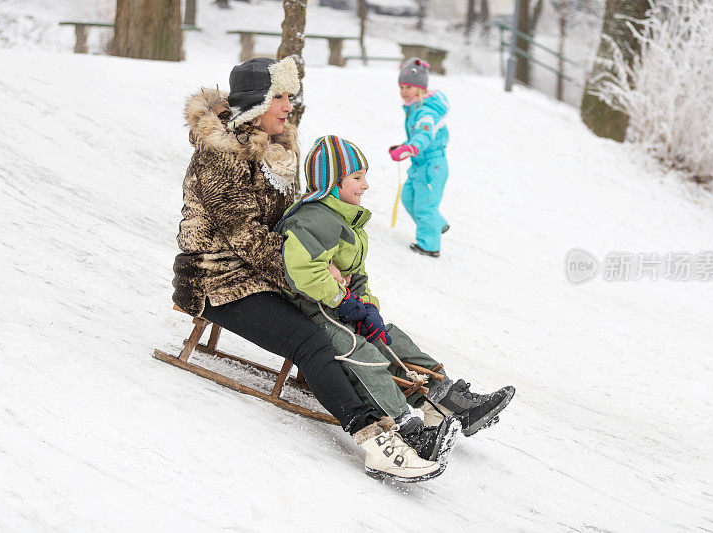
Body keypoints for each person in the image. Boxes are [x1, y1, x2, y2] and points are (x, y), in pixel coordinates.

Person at [171, 58, 401, 479]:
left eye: (289, 96)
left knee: (336, 323)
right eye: (279, 96)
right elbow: (247, 238)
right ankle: (374, 437)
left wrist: (324, 264)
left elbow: (288, 227)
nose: (287, 106)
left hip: (261, 276)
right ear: (258, 103)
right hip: (218, 280)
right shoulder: (219, 158)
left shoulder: (275, 151)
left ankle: (409, 408)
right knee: (311, 341)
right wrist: (310, 275)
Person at [275, 135, 516, 480]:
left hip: (339, 306)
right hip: (313, 311)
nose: (366, 185)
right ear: (332, 183)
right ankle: (404, 425)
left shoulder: (346, 221)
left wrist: (366, 307)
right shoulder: (312, 220)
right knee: (360, 352)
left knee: (390, 339)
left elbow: (357, 276)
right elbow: (305, 272)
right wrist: (345, 303)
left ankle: (450, 401)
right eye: (357, 178)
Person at [389, 58, 451, 258]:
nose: (404, 91)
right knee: (408, 198)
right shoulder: (413, 109)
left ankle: (429, 245)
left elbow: (425, 134)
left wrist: (412, 148)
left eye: (409, 86)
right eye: (401, 86)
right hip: (419, 165)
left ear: (421, 89)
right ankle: (436, 224)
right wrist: (404, 146)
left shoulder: (425, 111)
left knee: (424, 205)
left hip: (432, 165)